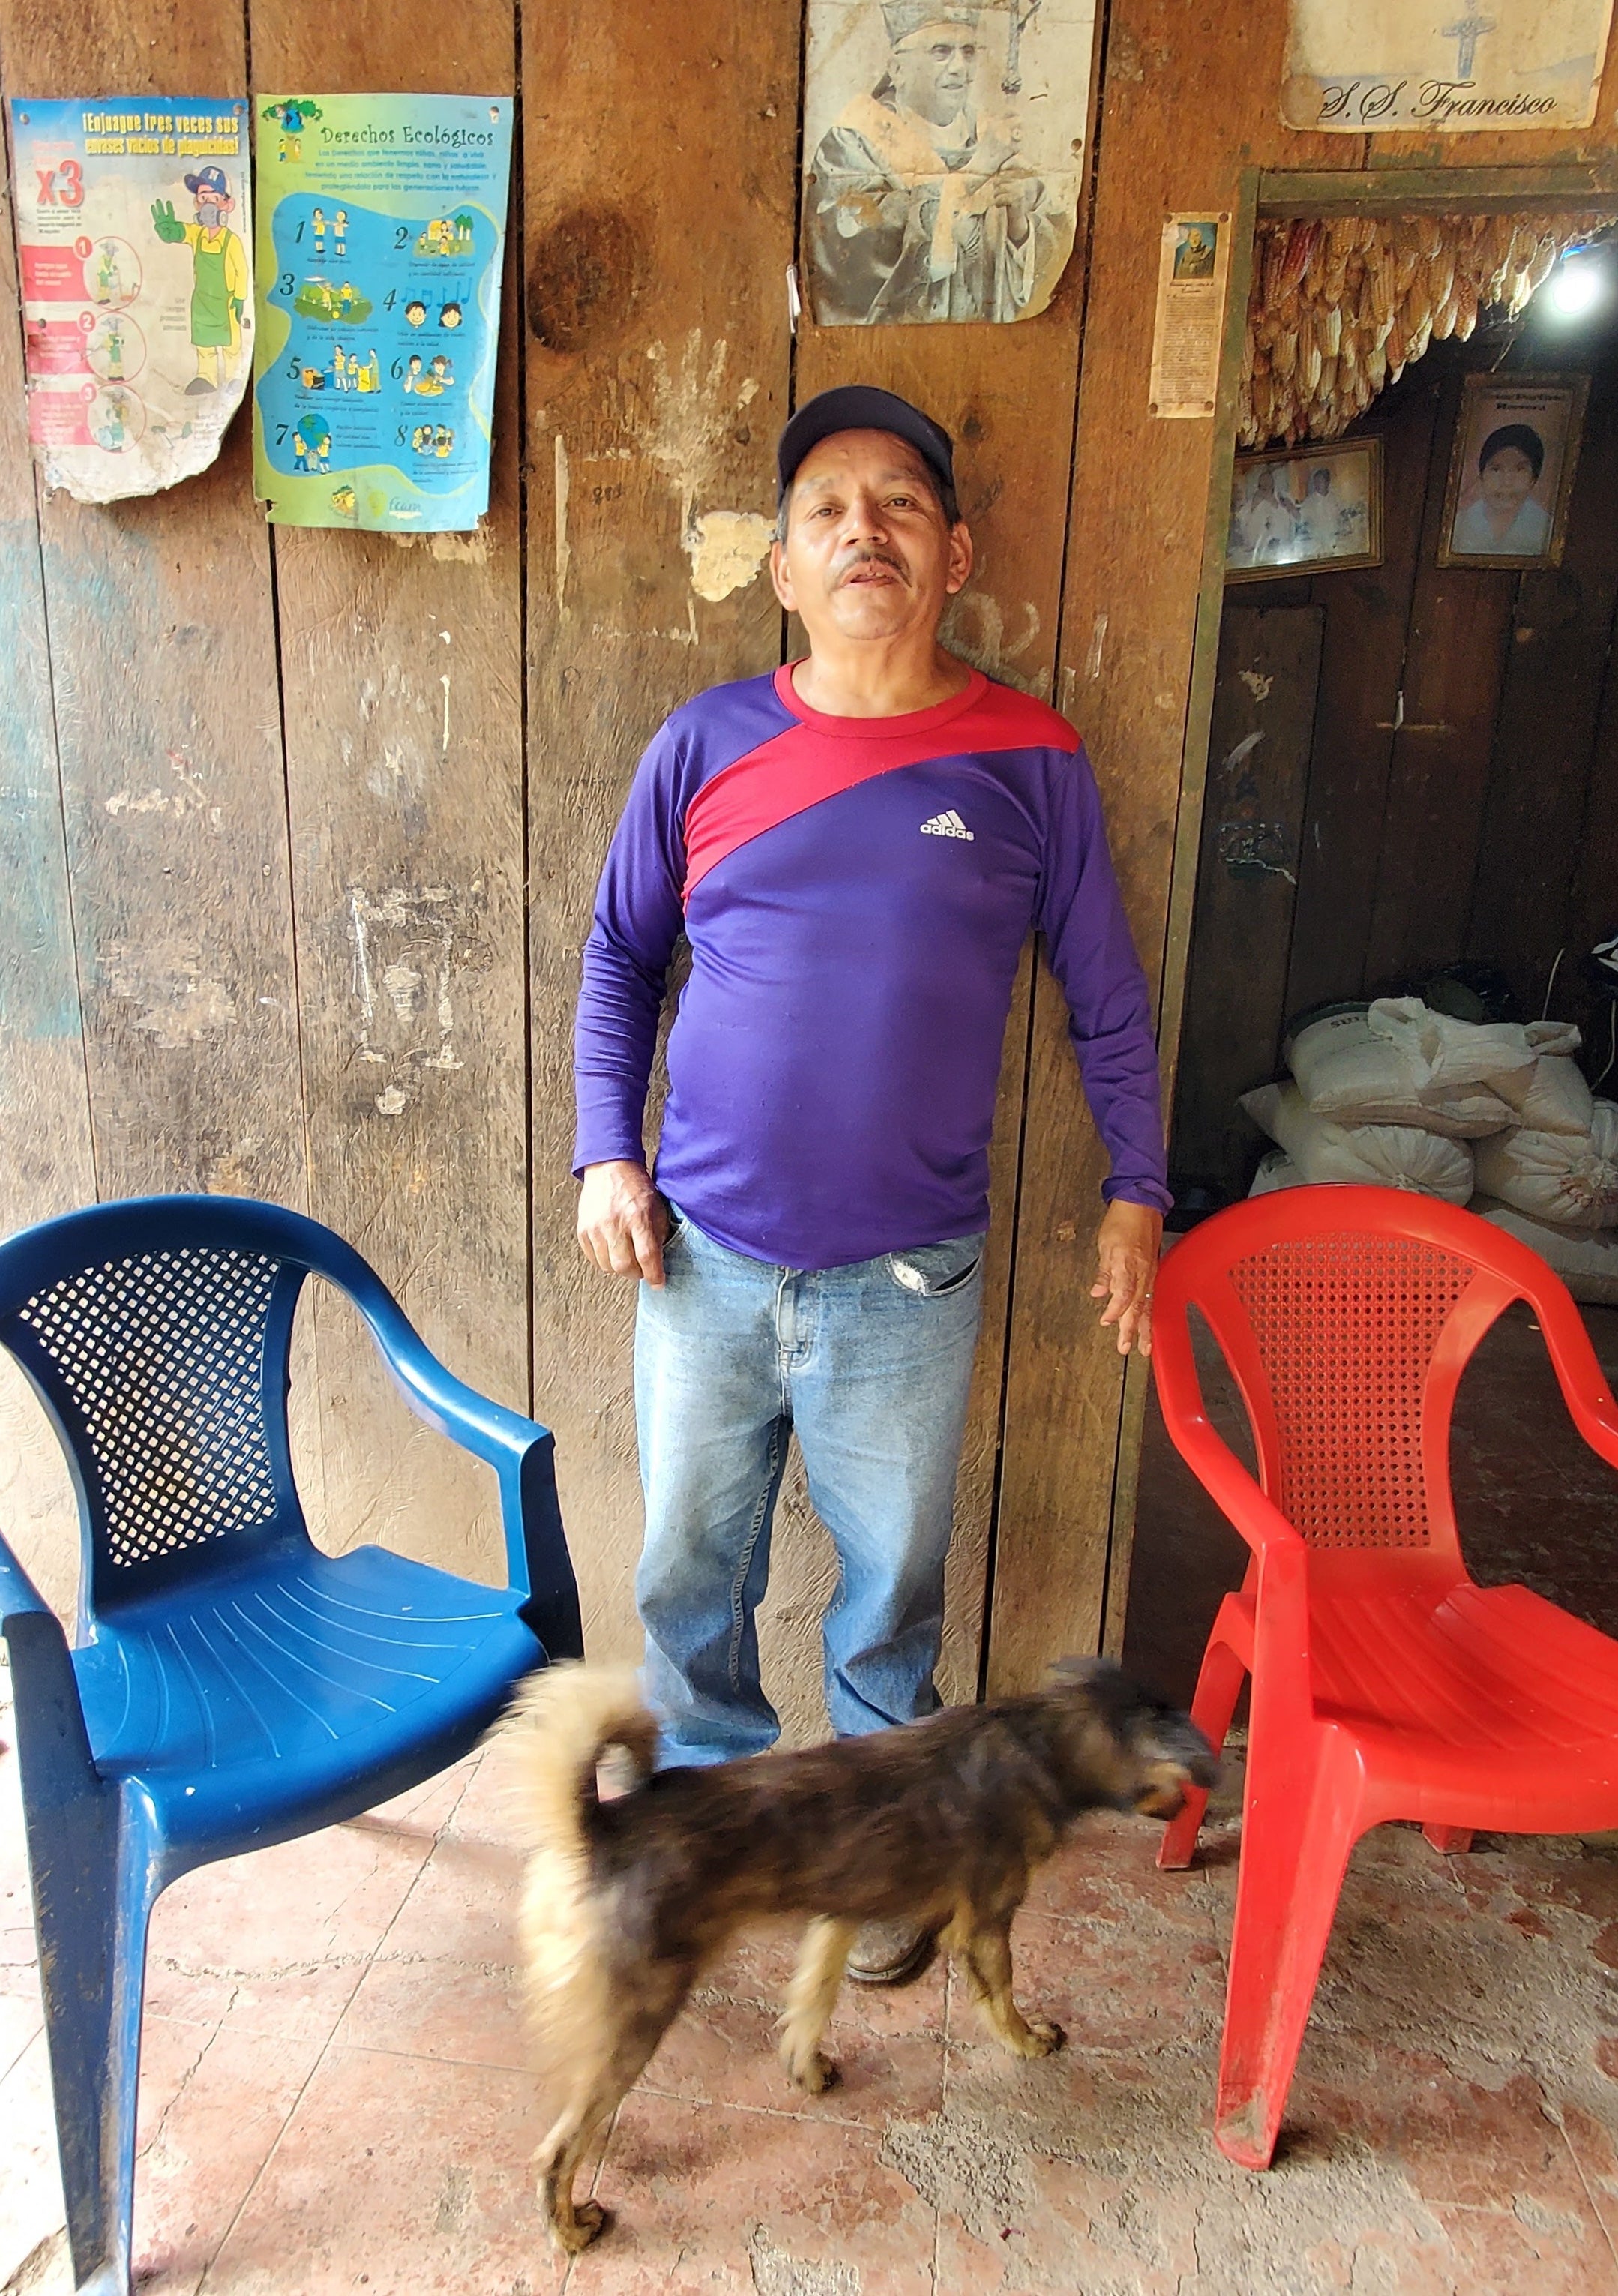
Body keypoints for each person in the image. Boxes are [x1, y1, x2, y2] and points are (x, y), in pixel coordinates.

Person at [572, 385, 1168, 1986]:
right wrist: (602, 1150)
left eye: (897, 504)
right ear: (779, 565)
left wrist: (1139, 1186)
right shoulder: (701, 742)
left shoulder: (1030, 758)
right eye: (827, 507)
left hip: (908, 1274)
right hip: (697, 1258)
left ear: (952, 551)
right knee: (690, 1574)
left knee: (890, 1589)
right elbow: (620, 960)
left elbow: (1103, 994)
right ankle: (697, 1840)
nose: (862, 529)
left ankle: (888, 1840)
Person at [807, 2, 1053, 324]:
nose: (959, 68)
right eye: (941, 51)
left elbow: (1049, 267)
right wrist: (974, 174)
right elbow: (850, 255)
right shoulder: (853, 142)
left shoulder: (991, 137)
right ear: (897, 70)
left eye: (968, 52)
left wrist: (1018, 227)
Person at [1452, 423, 1552, 556]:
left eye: (1519, 470)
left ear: (1533, 479)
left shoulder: (1547, 529)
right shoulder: (1458, 526)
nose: (1507, 482)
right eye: (1496, 469)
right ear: (1482, 476)